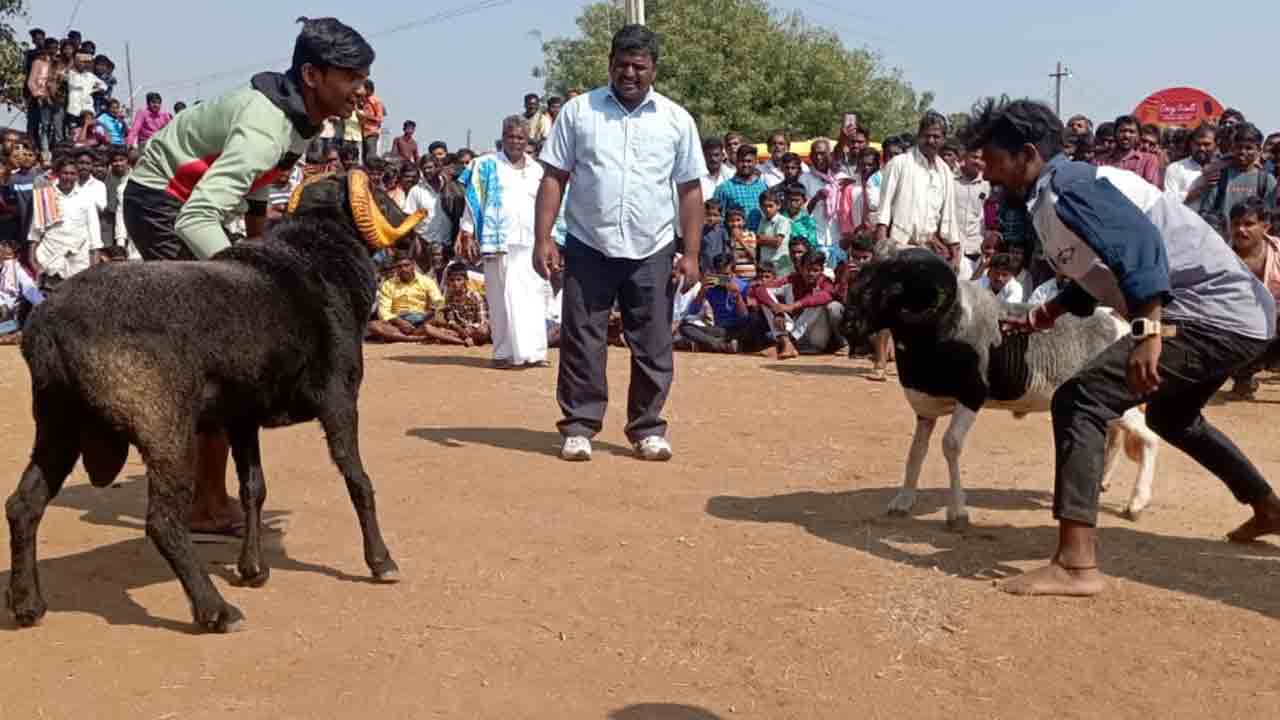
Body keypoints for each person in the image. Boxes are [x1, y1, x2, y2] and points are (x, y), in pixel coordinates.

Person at [964, 97, 1280, 597]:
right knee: (1171, 418)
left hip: (1212, 316)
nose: (986, 171)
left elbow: (1138, 248)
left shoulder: (1072, 186)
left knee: (1081, 399)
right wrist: (1047, 312)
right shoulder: (1058, 193)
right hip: (1235, 317)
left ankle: (1076, 564)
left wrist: (1148, 333)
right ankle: (1267, 508)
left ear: (1026, 153)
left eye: (992, 159)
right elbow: (1101, 269)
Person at [121, 16, 375, 536]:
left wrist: (260, 247)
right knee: (219, 346)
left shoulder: (301, 122)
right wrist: (255, 278)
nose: (360, 90)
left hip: (192, 204)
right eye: (349, 76)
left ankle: (206, 495)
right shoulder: (265, 128)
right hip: (163, 204)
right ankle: (203, 503)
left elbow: (259, 188)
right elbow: (195, 218)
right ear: (311, 74)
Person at [534, 24, 705, 463]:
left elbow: (690, 191)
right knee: (582, 339)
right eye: (622, 65)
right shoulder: (578, 112)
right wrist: (543, 239)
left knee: (652, 344)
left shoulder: (675, 120)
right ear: (610, 63)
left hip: (652, 250)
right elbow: (554, 177)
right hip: (589, 246)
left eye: (639, 66)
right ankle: (579, 426)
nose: (630, 73)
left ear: (654, 70)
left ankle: (647, 428)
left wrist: (690, 253)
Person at [458, 115, 549, 369]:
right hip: (497, 241)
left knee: (532, 296)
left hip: (531, 241)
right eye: (510, 136)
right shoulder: (485, 165)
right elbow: (472, 199)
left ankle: (534, 353)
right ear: (502, 137)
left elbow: (549, 205)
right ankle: (503, 353)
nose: (515, 142)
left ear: (528, 139)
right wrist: (466, 231)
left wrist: (551, 238)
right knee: (500, 298)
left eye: (520, 137)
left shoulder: (538, 170)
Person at [1225, 199, 1280, 400]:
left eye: (1249, 224)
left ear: (1265, 226)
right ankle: (1240, 374)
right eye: (1235, 224)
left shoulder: (1278, 252)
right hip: (1234, 327)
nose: (1241, 230)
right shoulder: (1219, 256)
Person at [678, 253, 774, 354]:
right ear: (714, 272)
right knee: (685, 327)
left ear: (733, 273)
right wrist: (701, 292)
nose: (722, 279)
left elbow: (745, 316)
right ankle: (722, 345)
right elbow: (693, 311)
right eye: (719, 275)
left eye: (726, 275)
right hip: (720, 329)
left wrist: (737, 296)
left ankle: (712, 344)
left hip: (741, 328)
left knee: (756, 323)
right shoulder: (711, 287)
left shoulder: (743, 286)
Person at [30, 156, 102, 288]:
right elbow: (35, 232)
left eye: (72, 173)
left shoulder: (86, 197)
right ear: (58, 174)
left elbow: (94, 232)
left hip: (78, 260)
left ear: (77, 175)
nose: (68, 177)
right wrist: (33, 261)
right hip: (49, 259)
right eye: (65, 173)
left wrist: (95, 263)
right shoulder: (46, 196)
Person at [713, 145, 770, 231]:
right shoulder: (724, 189)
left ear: (755, 162)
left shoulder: (763, 187)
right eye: (742, 161)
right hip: (734, 241)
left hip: (761, 240)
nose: (745, 164)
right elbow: (717, 220)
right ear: (736, 162)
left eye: (749, 161)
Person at [434, 262, 491, 346]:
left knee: (483, 330)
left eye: (459, 280)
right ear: (448, 281)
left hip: (474, 329)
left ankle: (459, 339)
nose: (455, 283)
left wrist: (470, 328)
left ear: (465, 280)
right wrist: (461, 330)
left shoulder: (475, 296)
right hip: (460, 329)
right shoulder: (449, 297)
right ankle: (464, 341)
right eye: (452, 280)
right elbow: (452, 320)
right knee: (429, 328)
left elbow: (482, 320)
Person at [1165, 124, 1214, 203]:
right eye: (1198, 144)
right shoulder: (1175, 168)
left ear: (1215, 144)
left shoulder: (1223, 169)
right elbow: (1168, 202)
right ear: (1191, 144)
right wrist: (1196, 192)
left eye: (1207, 144)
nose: (1202, 148)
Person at [357, 79, 384, 163]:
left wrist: (365, 116)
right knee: (364, 157)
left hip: (372, 132)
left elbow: (379, 118)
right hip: (363, 132)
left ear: (368, 89)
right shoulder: (363, 100)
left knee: (371, 156)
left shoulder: (376, 101)